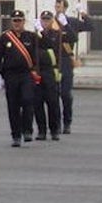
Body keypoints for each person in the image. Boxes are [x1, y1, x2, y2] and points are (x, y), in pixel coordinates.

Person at [0, 9, 38, 147]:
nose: (17, 23)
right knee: (13, 106)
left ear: (24, 21)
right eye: (14, 21)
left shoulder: (31, 36)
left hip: (26, 74)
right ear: (11, 22)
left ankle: (27, 130)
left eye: (19, 20)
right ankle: (16, 135)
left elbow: (43, 50)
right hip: (10, 75)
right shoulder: (5, 37)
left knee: (28, 100)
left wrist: (40, 30)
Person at [54, 0, 92, 134]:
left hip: (66, 60)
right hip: (53, 60)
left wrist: (82, 12)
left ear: (65, 8)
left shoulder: (72, 22)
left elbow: (90, 26)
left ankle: (67, 122)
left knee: (65, 94)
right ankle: (55, 124)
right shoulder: (51, 21)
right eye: (56, 6)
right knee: (53, 95)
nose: (57, 9)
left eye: (59, 6)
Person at [33, 10, 62, 141]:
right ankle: (41, 130)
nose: (45, 22)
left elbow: (50, 45)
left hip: (50, 71)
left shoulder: (56, 35)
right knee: (37, 103)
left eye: (47, 19)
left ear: (51, 21)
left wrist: (41, 32)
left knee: (52, 102)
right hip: (38, 71)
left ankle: (54, 130)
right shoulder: (34, 36)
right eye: (43, 19)